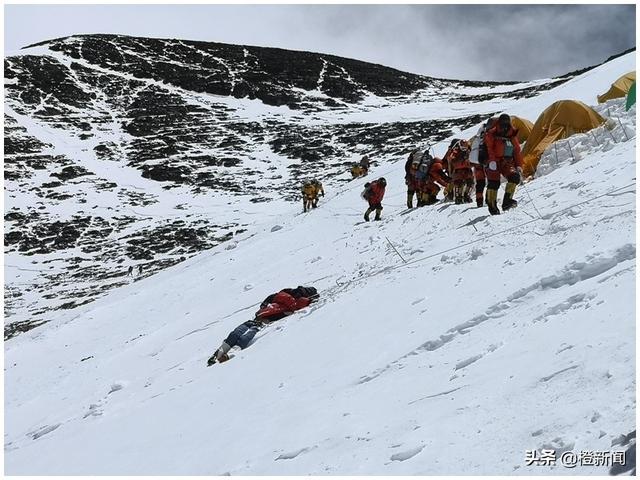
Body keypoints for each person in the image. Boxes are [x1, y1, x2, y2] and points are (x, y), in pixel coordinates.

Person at [208, 286, 319, 365]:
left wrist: (264, 307)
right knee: (247, 335)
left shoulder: (285, 293)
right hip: (266, 318)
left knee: (238, 332)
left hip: (261, 316)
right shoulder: (295, 299)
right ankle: (227, 353)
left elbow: (271, 300)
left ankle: (221, 352)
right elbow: (294, 305)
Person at [484, 113, 523, 215]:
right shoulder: (491, 133)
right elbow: (489, 148)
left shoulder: (512, 134)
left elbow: (516, 150)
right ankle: (492, 206)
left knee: (514, 177)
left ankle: (507, 201)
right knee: (494, 183)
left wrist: (519, 165)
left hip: (507, 161)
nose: (505, 126)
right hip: (493, 162)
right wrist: (492, 161)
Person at [469, 117, 498, 207]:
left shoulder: (477, 138)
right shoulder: (489, 135)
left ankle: (479, 201)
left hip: (478, 165)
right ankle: (488, 199)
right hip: (487, 162)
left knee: (480, 184)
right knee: (491, 181)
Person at [446, 139, 474, 204]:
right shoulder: (455, 152)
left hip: (467, 169)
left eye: (465, 147)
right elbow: (453, 161)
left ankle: (466, 195)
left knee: (470, 183)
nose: (464, 149)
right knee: (458, 183)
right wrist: (462, 160)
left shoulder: (469, 151)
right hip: (459, 170)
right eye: (463, 147)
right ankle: (458, 197)